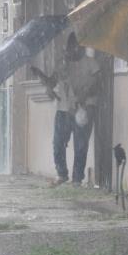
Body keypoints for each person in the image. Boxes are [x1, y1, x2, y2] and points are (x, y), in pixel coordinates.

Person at [41, 33, 103, 185]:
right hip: (63, 109)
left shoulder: (91, 64)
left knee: (80, 144)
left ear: (81, 48)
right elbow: (52, 80)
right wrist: (48, 86)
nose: (72, 52)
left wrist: (84, 95)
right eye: (70, 49)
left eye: (75, 48)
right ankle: (62, 173)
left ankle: (77, 178)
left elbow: (98, 84)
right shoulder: (62, 64)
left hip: (84, 108)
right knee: (58, 142)